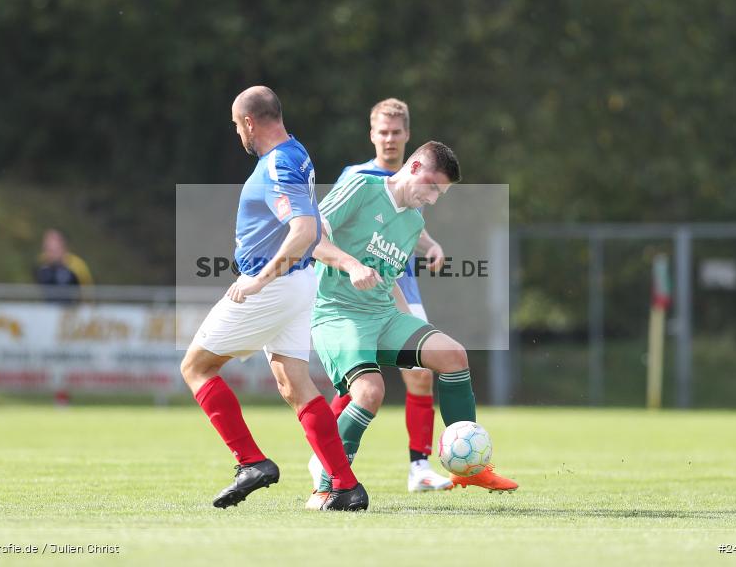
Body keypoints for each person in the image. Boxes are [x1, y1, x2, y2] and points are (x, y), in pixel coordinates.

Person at [179, 85, 368, 511]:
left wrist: (259, 281)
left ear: (248, 122)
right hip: (299, 285)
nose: (237, 134)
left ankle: (252, 463)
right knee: (295, 385)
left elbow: (303, 230)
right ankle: (345, 485)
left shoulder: (278, 164)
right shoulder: (296, 152)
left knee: (195, 367)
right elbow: (313, 227)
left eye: (235, 125)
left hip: (274, 286)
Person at [306, 141, 518, 508]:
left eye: (441, 194)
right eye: (433, 188)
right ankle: (326, 486)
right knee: (370, 393)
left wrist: (412, 326)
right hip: (338, 312)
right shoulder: (362, 187)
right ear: (415, 167)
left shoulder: (413, 221)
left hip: (383, 315)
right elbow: (309, 238)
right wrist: (351, 265)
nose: (434, 199)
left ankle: (469, 466)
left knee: (452, 355)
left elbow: (388, 283)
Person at [309, 98, 453, 493]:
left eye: (396, 132)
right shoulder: (358, 177)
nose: (389, 140)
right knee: (361, 384)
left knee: (420, 375)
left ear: (407, 135)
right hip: (356, 292)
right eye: (382, 132)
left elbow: (411, 224)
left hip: (400, 287)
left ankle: (419, 467)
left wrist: (431, 245)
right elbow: (326, 227)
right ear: (372, 135)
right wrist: (348, 266)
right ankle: (327, 454)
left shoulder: (422, 182)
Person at [33, 229, 93, 302]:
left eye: (53, 250)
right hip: (46, 311)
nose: (49, 254)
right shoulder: (40, 264)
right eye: (47, 249)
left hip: (72, 311)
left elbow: (87, 293)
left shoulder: (77, 266)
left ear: (63, 247)